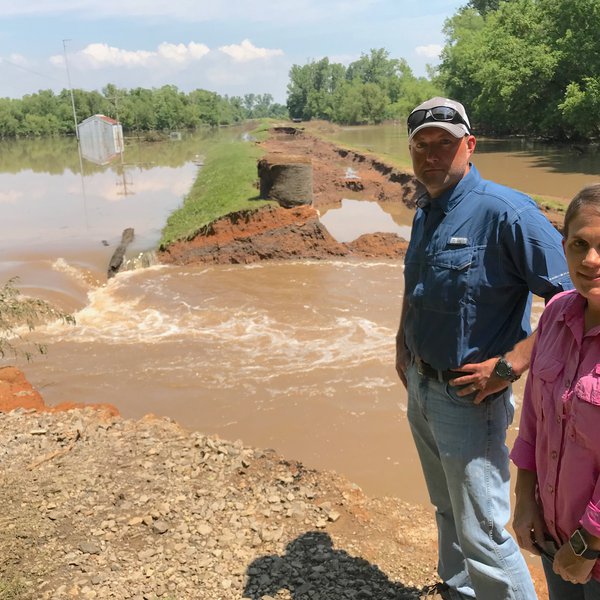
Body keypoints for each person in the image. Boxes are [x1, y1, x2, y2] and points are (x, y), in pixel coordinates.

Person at [395, 97, 573, 600]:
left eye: (444, 144)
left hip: (472, 398)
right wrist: (400, 341)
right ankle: (459, 590)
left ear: (469, 146)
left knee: (486, 531)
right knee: (447, 508)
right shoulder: (425, 210)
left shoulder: (508, 212)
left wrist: (510, 364)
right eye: (421, 145)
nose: (431, 155)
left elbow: (574, 303)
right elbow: (417, 285)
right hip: (423, 385)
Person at [511, 184, 600, 600]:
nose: (591, 260)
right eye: (580, 244)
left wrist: (587, 544)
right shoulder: (555, 313)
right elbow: (533, 419)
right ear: (563, 247)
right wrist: (524, 498)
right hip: (554, 533)